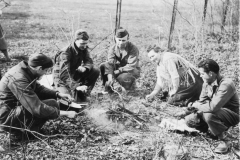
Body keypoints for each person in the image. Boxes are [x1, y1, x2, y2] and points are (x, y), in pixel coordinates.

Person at [0, 53, 77, 140]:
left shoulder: (26, 70)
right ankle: (19, 134)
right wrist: (65, 113)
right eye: (46, 70)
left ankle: (30, 131)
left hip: (12, 109)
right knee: (50, 105)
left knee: (52, 102)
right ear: (39, 68)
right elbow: (36, 108)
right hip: (5, 116)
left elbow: (38, 88)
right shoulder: (19, 79)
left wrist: (57, 94)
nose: (45, 73)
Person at [181, 59, 239, 154]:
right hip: (213, 111)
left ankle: (225, 140)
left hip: (231, 116)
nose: (200, 75)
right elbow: (202, 101)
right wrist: (192, 108)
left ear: (211, 73)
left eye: (202, 73)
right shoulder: (206, 83)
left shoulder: (226, 84)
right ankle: (213, 129)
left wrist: (197, 106)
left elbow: (213, 107)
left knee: (209, 115)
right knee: (189, 120)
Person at [53, 29, 100, 102]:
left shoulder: (83, 48)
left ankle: (83, 93)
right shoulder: (65, 53)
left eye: (86, 43)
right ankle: (77, 91)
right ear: (75, 40)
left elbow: (89, 61)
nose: (84, 46)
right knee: (70, 101)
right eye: (82, 43)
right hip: (61, 79)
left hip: (73, 75)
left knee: (95, 71)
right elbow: (64, 75)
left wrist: (85, 68)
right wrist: (77, 86)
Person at [100, 28, 140, 93]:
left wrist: (119, 70)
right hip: (117, 70)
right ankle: (108, 87)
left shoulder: (133, 48)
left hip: (130, 71)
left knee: (124, 77)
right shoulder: (112, 48)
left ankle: (130, 86)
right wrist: (110, 78)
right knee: (103, 66)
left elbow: (132, 65)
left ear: (128, 39)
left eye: (123, 40)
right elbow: (110, 63)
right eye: (119, 40)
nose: (121, 43)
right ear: (115, 39)